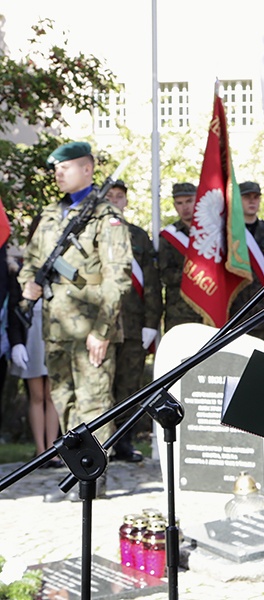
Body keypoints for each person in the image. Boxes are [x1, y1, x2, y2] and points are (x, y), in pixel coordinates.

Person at [19, 141, 133, 501]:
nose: (58, 172)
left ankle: (92, 480)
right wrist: (29, 284)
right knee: (64, 399)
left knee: (93, 403)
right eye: (56, 167)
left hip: (91, 329)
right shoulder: (51, 215)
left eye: (65, 166)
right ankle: (74, 474)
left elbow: (118, 278)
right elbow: (31, 262)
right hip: (56, 328)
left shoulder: (106, 217)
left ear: (87, 169)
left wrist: (101, 331)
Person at [105, 179, 162, 462]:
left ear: (126, 201)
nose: (115, 201)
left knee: (129, 387)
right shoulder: (96, 234)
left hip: (134, 325)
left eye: (119, 197)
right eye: (110, 197)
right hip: (103, 325)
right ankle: (102, 442)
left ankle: (123, 442)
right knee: (103, 386)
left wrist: (152, 322)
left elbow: (151, 283)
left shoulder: (138, 236)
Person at [6, 226, 62, 469]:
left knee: (53, 395)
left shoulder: (61, 266)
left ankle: (53, 448)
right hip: (31, 337)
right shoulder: (21, 270)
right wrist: (17, 342)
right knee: (37, 396)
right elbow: (14, 311)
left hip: (57, 334)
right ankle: (40, 451)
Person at [231, 181, 264, 348]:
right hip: (236, 314)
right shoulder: (229, 233)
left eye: (256, 197)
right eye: (247, 197)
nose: (252, 201)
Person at [158, 182, 203, 334]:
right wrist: (198, 275)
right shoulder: (168, 237)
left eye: (189, 201)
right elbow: (165, 274)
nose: (185, 207)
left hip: (210, 309)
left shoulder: (214, 233)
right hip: (179, 313)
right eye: (180, 203)